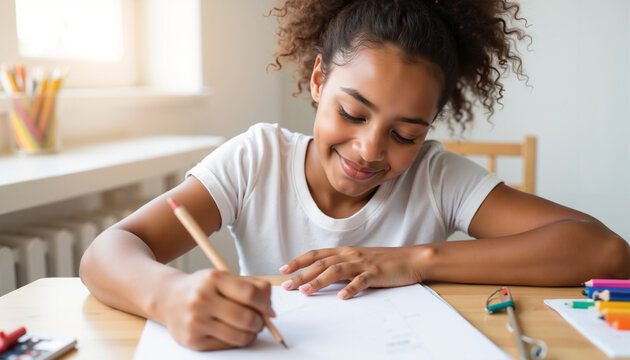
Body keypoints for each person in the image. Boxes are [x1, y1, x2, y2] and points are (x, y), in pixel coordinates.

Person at [80, 0, 630, 352]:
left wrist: (415, 260)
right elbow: (106, 252)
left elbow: (605, 251)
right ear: (319, 79)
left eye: (406, 134)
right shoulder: (257, 159)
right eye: (353, 112)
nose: (370, 149)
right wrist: (168, 296)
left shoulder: (436, 177)